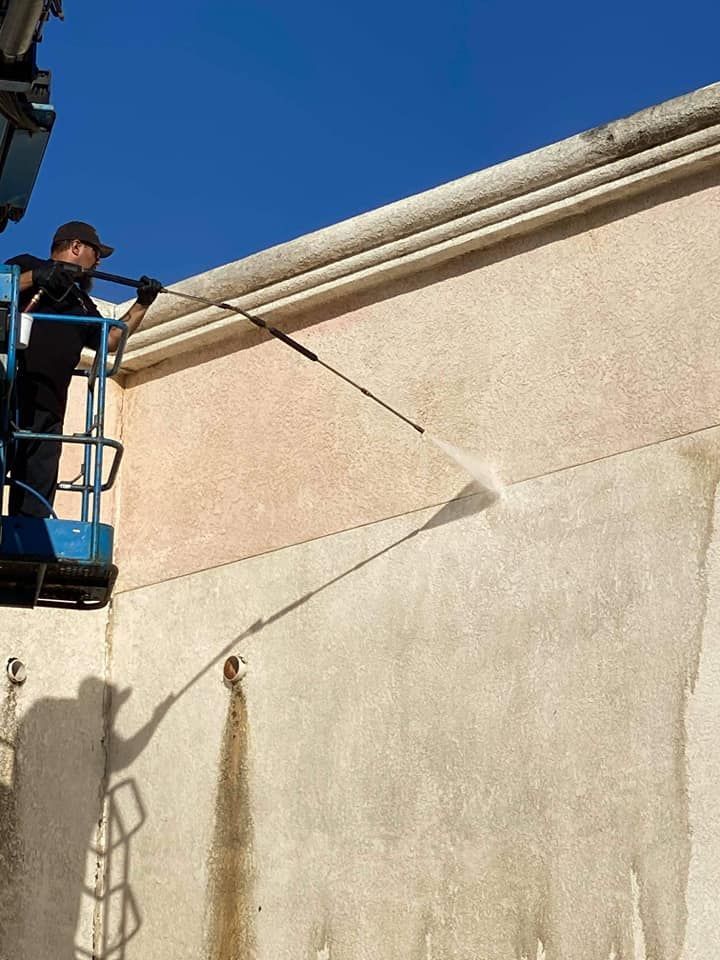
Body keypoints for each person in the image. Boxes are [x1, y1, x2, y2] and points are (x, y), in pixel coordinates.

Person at [5, 221, 161, 518]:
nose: (98, 262)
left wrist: (142, 303)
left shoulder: (80, 301)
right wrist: (37, 277)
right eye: (96, 253)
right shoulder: (26, 265)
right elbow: (3, 288)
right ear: (76, 247)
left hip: (48, 413)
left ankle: (29, 534)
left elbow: (110, 340)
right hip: (10, 394)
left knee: (34, 505)